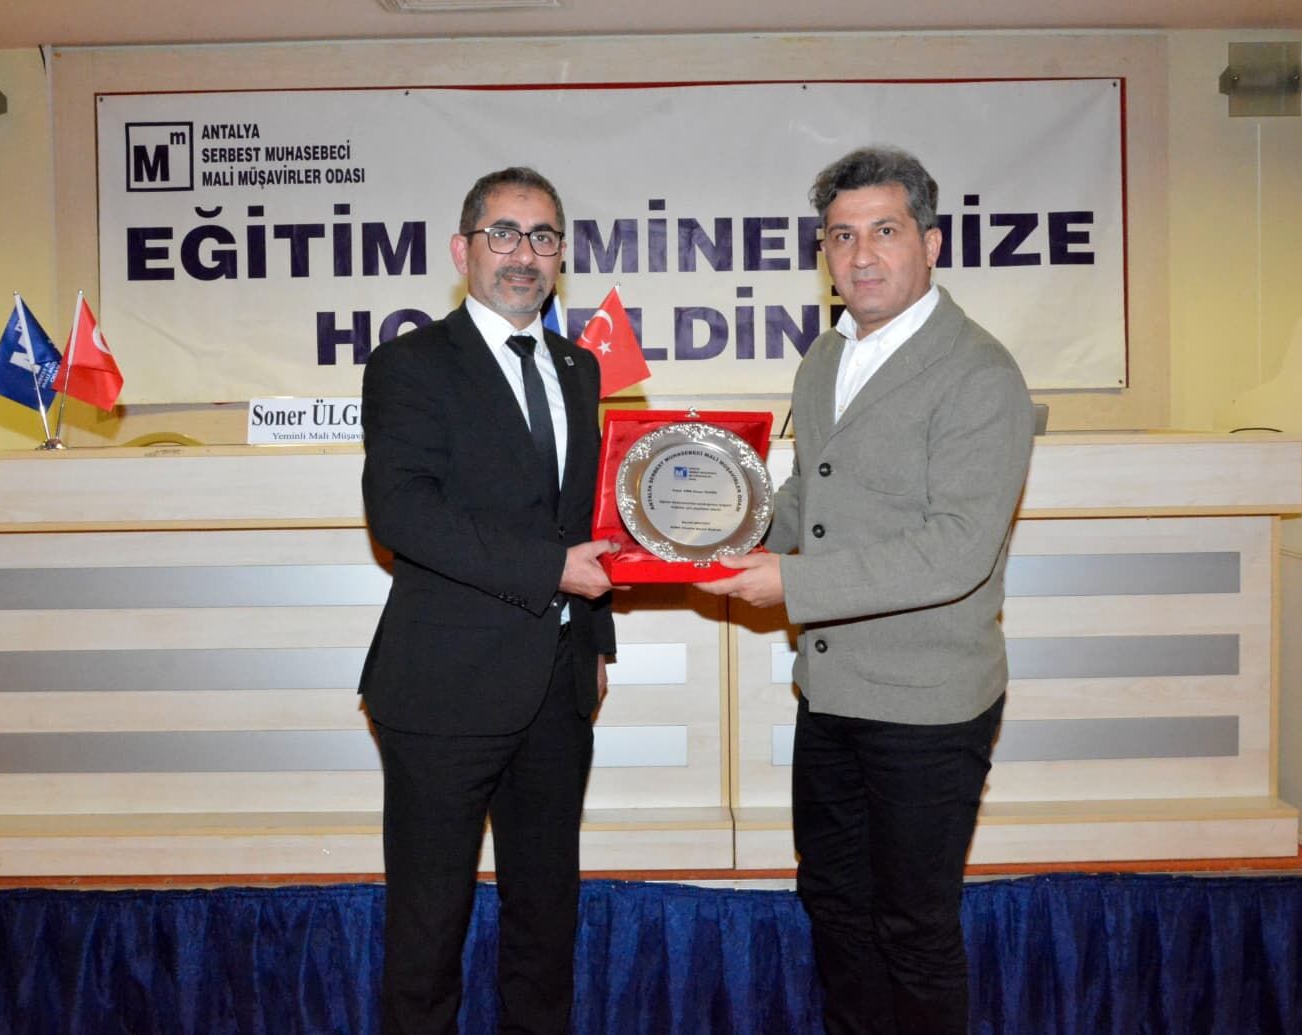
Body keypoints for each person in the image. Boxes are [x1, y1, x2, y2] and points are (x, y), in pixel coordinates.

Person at [698, 146, 1034, 1034]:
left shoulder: (979, 372)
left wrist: (792, 581)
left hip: (927, 705)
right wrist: (708, 533)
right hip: (832, 693)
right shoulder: (825, 356)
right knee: (836, 907)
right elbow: (807, 497)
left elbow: (956, 550)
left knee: (913, 929)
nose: (861, 254)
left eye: (884, 230)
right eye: (841, 236)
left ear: (931, 243)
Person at [359, 166, 618, 1034]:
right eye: (503, 233)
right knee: (428, 931)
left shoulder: (579, 367)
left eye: (543, 237)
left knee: (546, 923)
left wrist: (595, 644)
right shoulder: (409, 364)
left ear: (561, 256)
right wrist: (552, 571)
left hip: (558, 689)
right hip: (443, 688)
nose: (523, 254)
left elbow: (584, 517)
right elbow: (402, 513)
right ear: (461, 249)